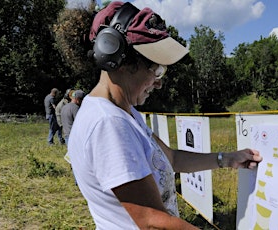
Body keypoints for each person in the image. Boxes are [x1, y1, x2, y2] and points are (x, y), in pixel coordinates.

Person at [66, 2, 262, 229]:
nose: (158, 83)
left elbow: (172, 159)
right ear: (119, 60)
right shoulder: (108, 124)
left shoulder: (125, 114)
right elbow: (152, 223)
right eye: (155, 69)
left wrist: (227, 159)